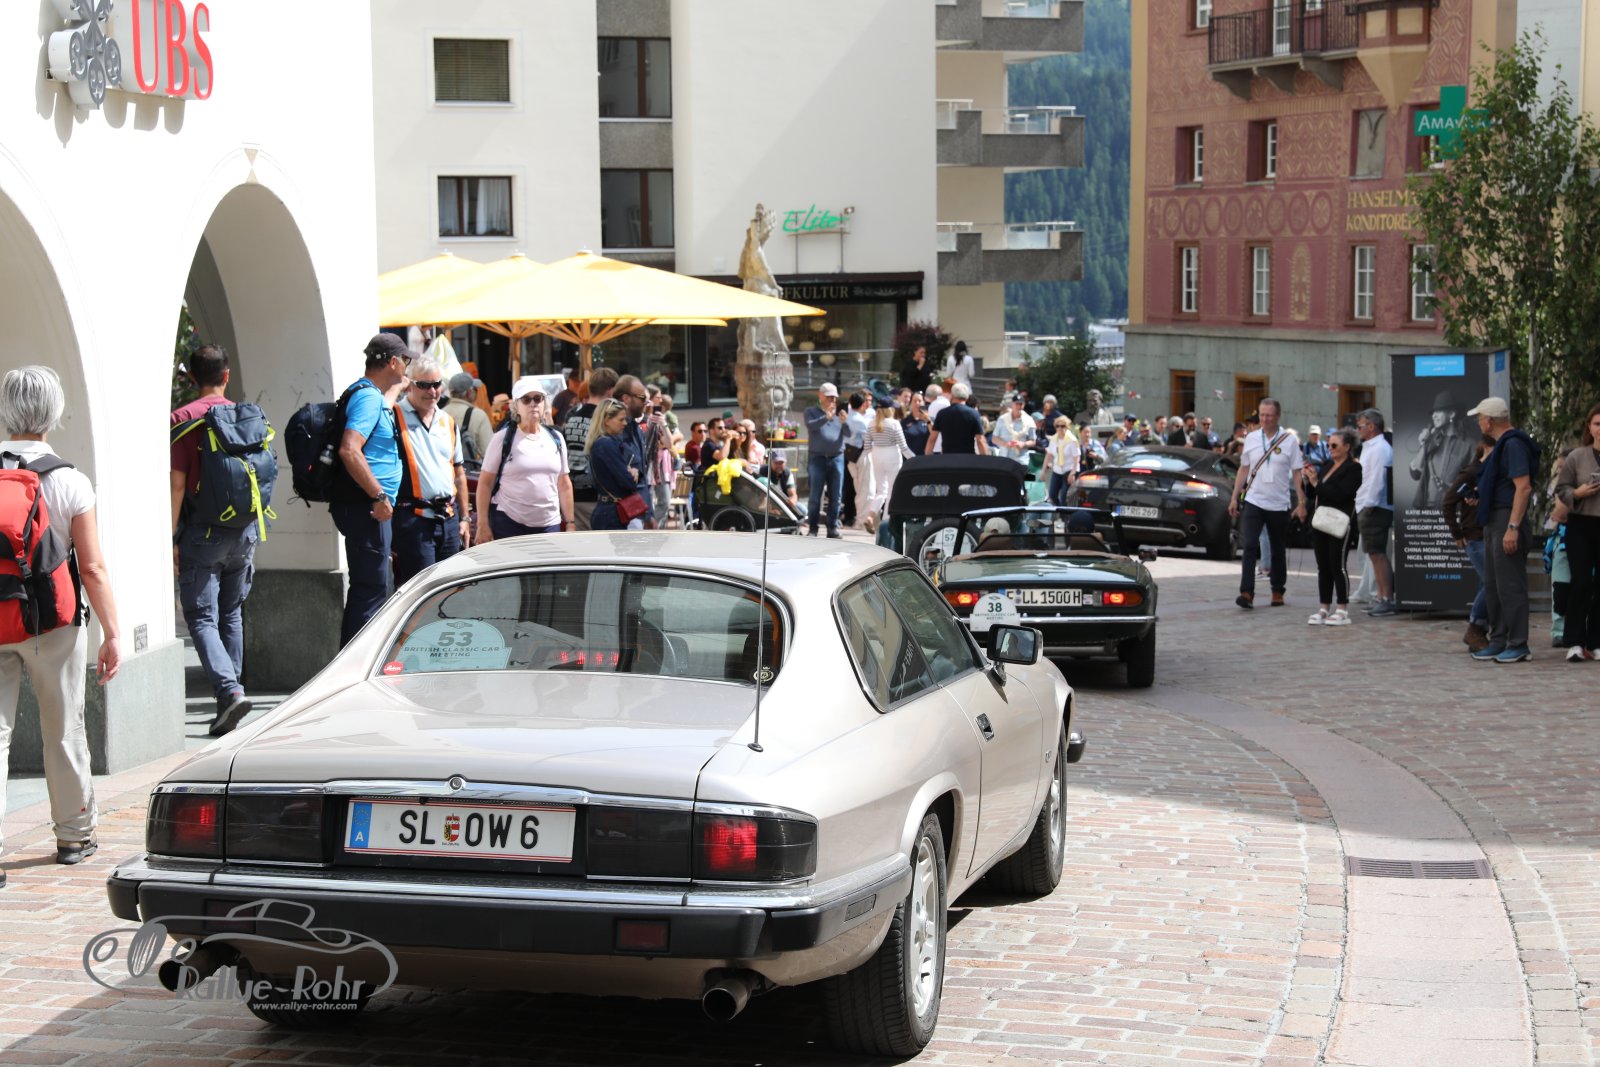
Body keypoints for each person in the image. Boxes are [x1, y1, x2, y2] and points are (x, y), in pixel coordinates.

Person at [0, 366, 121, 880]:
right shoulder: (70, 480)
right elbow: (91, 567)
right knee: (63, 727)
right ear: (54, 412)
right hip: (53, 623)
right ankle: (74, 836)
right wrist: (112, 632)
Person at [168, 344, 258, 736]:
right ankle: (231, 696)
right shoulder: (245, 416)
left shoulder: (182, 419)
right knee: (231, 612)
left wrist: (170, 537)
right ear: (226, 376)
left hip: (203, 533)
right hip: (245, 531)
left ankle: (230, 692)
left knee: (202, 617)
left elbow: (177, 485)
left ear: (191, 378)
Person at [333, 334, 409, 646]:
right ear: (393, 361)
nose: (407, 366)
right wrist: (378, 496)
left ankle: (356, 662)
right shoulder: (367, 398)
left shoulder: (370, 395)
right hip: (367, 508)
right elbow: (349, 449)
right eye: (406, 360)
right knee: (371, 591)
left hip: (367, 508)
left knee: (373, 588)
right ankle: (353, 666)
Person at [1469, 396, 1539, 663]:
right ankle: (1499, 639)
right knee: (1493, 585)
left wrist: (1513, 527)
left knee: (1510, 585)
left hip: (1506, 520)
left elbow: (1524, 487)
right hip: (1494, 519)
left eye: (1480, 418)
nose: (1478, 423)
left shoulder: (1513, 445)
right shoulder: (1502, 446)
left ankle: (1518, 643)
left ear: (1489, 421)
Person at [392, 357, 471, 586]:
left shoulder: (447, 421)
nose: (432, 391)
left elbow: (459, 472)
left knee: (450, 588)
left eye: (436, 384)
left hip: (448, 518)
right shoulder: (394, 415)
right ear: (410, 385)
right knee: (422, 588)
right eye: (424, 385)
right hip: (414, 519)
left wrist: (465, 518)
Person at [1228, 397, 1304, 609]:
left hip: (1278, 502)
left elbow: (1297, 472)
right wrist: (1234, 497)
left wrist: (1301, 501)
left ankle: (1277, 590)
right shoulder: (1252, 438)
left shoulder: (1289, 441)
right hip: (1254, 499)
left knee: (1277, 548)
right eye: (1262, 415)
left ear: (1278, 416)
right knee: (1250, 545)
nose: (1265, 419)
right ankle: (1246, 592)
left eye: (1269, 415)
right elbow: (1244, 468)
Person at [476, 378, 575, 539]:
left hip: (549, 525)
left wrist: (570, 523)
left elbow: (564, 483)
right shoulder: (502, 438)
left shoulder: (556, 438)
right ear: (516, 406)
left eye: (538, 398)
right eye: (526, 399)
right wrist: (482, 524)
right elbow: (485, 483)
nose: (533, 404)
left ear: (544, 403)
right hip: (509, 523)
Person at [1553, 402, 1600, 661]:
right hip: (1581, 524)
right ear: (1589, 427)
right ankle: (1574, 641)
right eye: (1597, 424)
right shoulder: (1577, 456)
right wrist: (1578, 493)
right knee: (1581, 583)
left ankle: (1596, 641)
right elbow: (1562, 489)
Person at [1303, 428, 1362, 626]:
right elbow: (1317, 493)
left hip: (1339, 521)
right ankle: (1324, 607)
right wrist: (1309, 480)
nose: (1330, 448)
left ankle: (1342, 609)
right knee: (1323, 566)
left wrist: (1316, 483)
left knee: (1338, 564)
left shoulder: (1354, 468)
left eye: (1334, 445)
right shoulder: (1327, 465)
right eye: (1328, 445)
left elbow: (1341, 494)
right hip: (1321, 520)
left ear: (1347, 447)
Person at [1443, 435, 1494, 652]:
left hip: (1488, 535)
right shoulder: (1472, 472)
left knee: (1486, 583)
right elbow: (1448, 502)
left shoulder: (1491, 472)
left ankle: (1479, 629)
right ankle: (1475, 626)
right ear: (1485, 448)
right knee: (1492, 582)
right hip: (1475, 536)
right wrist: (1456, 532)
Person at [560, 367, 619, 531]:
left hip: (572, 495)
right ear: (610, 391)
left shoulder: (571, 417)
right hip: (596, 498)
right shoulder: (605, 420)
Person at [1355, 409, 1397, 616]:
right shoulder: (1371, 447)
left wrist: (1369, 505)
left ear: (1371, 427)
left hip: (1375, 507)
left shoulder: (1379, 448)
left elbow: (1378, 479)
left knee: (1378, 555)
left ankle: (1387, 598)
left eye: (1360, 426)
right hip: (1368, 505)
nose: (1358, 430)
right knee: (1374, 554)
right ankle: (1380, 597)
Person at [615, 374, 669, 526]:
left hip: (635, 513)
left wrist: (648, 514)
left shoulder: (636, 429)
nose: (646, 403)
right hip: (621, 515)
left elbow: (642, 479)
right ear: (626, 398)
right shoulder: (613, 432)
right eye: (642, 398)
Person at [585, 399, 645, 531]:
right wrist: (632, 474)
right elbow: (627, 482)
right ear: (607, 420)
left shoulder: (601, 443)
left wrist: (631, 471)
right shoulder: (606, 444)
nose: (625, 423)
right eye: (621, 420)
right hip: (610, 513)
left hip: (608, 509)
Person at [1409, 392, 1472, 509]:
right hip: (1428, 509)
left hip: (1453, 509)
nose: (1433, 415)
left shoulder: (1468, 444)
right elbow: (1415, 474)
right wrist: (1424, 445)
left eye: (1438, 411)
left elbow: (1474, 484)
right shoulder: (1431, 440)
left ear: (1451, 414)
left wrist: (1450, 489)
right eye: (1433, 412)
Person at [862, 400, 915, 530]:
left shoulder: (871, 424)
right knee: (892, 490)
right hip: (892, 455)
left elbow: (867, 447)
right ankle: (886, 522)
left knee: (881, 491)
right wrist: (915, 460)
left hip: (876, 454)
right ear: (890, 409)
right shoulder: (894, 424)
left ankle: (870, 516)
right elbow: (903, 447)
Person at [804, 383, 847, 538]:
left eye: (834, 397)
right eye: (829, 397)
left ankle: (832, 528)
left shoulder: (840, 414)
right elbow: (811, 426)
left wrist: (844, 422)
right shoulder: (811, 411)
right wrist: (825, 418)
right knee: (815, 496)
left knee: (836, 496)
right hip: (817, 458)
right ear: (820, 396)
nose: (832, 400)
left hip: (837, 457)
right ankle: (813, 528)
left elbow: (849, 433)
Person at [926, 382, 989, 455]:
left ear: (952, 396)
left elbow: (932, 438)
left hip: (948, 457)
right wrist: (984, 459)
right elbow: (980, 440)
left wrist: (928, 457)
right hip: (967, 457)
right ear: (967, 397)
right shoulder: (973, 414)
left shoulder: (942, 413)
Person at [444, 372, 493, 466]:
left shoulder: (439, 413)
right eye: (475, 390)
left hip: (443, 471)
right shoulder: (478, 415)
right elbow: (489, 454)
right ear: (469, 392)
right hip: (467, 472)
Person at [843, 391, 871, 527]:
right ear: (862, 404)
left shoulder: (845, 417)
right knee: (861, 488)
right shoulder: (861, 421)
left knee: (850, 486)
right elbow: (868, 439)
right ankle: (858, 518)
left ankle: (851, 516)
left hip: (847, 455)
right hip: (859, 455)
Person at [1042, 419, 1080, 505]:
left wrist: (1073, 473)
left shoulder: (1072, 440)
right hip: (1057, 470)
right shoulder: (1054, 439)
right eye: (1057, 426)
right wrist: (1043, 470)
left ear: (1067, 427)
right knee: (1052, 494)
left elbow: (1076, 457)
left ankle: (1063, 512)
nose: (1059, 428)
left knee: (1064, 496)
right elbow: (1049, 454)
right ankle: (1060, 510)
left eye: (1062, 426)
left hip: (1068, 470)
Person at [991, 396, 1036, 462]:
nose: (1019, 406)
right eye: (1017, 404)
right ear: (1012, 404)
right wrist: (1005, 444)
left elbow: (1033, 441)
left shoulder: (1029, 420)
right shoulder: (1002, 419)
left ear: (1024, 405)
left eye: (1021, 404)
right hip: (1004, 457)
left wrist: (1023, 444)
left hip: (1021, 459)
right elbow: (994, 439)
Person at [902, 391, 932, 458]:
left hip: (926, 458)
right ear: (910, 403)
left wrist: (928, 421)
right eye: (914, 401)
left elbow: (934, 435)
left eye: (919, 401)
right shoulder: (904, 422)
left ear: (924, 403)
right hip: (910, 459)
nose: (917, 403)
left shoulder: (930, 420)